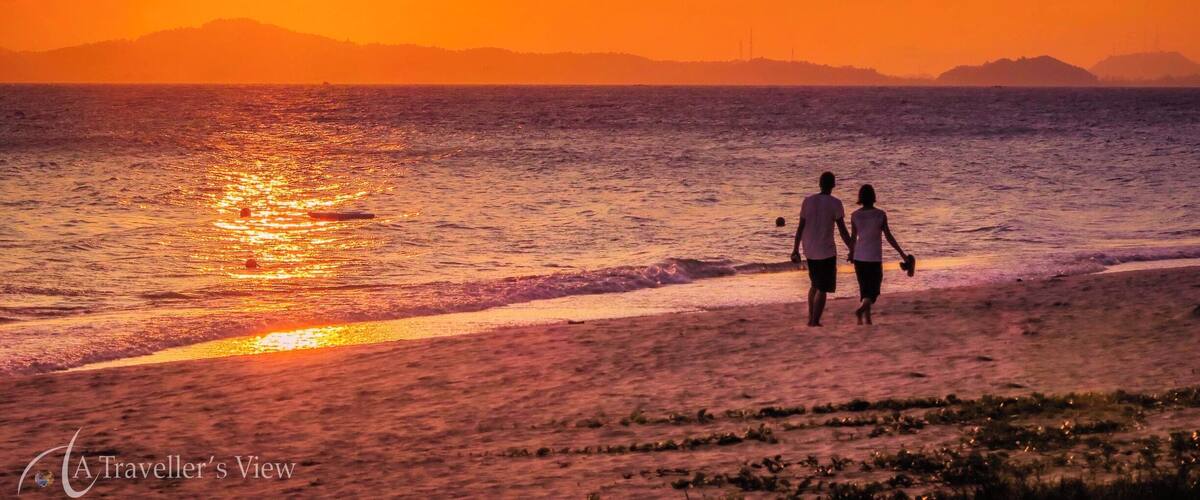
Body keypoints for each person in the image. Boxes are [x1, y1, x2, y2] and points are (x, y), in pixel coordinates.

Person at [791, 171, 852, 327]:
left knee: (814, 285)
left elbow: (800, 228)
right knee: (823, 288)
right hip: (826, 251)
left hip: (809, 249)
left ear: (819, 183)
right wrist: (853, 248)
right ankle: (815, 321)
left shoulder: (807, 201)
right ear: (833, 185)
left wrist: (795, 249)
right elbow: (843, 231)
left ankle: (811, 318)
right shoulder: (835, 203)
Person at [847, 184, 909, 325]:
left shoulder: (855, 216)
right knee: (873, 291)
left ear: (860, 198)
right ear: (873, 197)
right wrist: (902, 255)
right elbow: (889, 237)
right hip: (874, 258)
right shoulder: (880, 215)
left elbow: (853, 238)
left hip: (859, 258)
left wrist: (851, 253)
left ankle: (867, 320)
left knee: (865, 290)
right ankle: (861, 311)